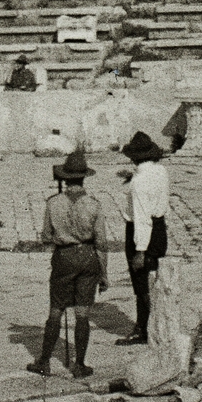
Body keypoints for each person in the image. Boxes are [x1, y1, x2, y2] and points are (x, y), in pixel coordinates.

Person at [26, 148, 112, 379]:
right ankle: (80, 365)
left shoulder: (53, 203)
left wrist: (61, 237)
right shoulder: (94, 205)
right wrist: (104, 274)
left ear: (64, 178)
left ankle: (44, 361)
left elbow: (45, 237)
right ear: (84, 178)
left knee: (56, 311)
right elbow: (101, 243)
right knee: (82, 313)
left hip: (64, 258)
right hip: (87, 257)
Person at [115, 131, 170, 347]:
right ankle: (146, 325)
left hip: (142, 234)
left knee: (142, 284)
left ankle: (146, 329)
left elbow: (141, 218)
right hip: (159, 230)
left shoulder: (139, 182)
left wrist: (140, 250)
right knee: (152, 281)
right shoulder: (160, 171)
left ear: (134, 157)